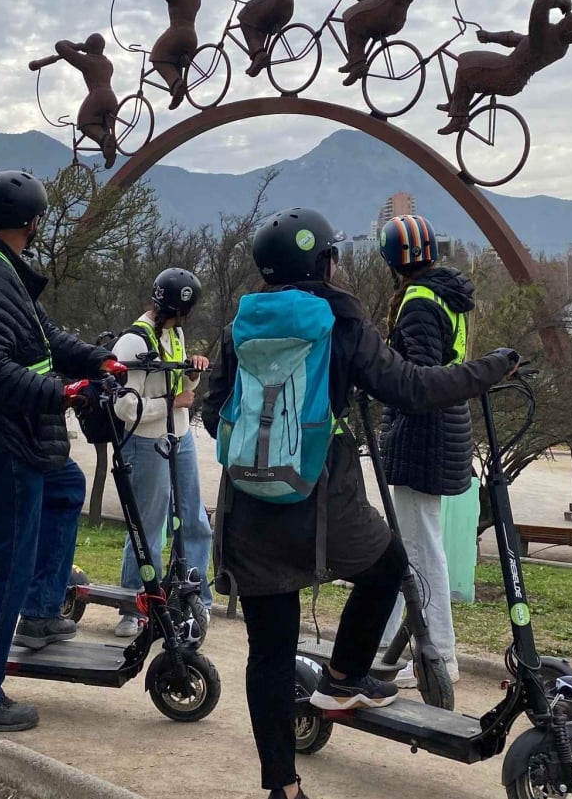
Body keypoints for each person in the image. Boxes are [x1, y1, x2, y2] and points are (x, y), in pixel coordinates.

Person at [201, 207, 518, 799]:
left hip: (248, 505)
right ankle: (344, 677)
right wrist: (490, 370)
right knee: (389, 568)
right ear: (323, 261)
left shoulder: (240, 325)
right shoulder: (340, 319)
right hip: (323, 502)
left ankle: (283, 788)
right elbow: (412, 388)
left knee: (268, 652)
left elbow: (211, 409)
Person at [0, 170, 118, 732]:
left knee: (66, 487)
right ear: (33, 221)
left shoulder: (1, 270)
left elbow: (46, 339)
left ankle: (42, 609)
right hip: (3, 438)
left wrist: (99, 361)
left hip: (16, 436)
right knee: (5, 564)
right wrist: (63, 391)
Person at [374, 215, 473, 686]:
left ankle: (439, 657)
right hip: (445, 425)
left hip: (423, 432)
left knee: (420, 545)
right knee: (407, 542)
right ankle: (387, 639)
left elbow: (417, 378)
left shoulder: (417, 300)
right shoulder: (446, 295)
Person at [110, 267, 214, 638]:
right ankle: (132, 607)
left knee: (195, 520)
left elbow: (180, 385)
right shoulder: (132, 343)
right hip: (147, 440)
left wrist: (193, 371)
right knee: (148, 526)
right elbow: (124, 407)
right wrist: (173, 403)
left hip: (180, 436)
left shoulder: (174, 333)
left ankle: (195, 598)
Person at [436, 0, 572, 134]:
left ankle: (459, 118)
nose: (567, 16)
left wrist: (562, 1)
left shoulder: (547, 39)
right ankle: (456, 103)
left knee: (466, 66)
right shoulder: (556, 45)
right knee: (470, 64)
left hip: (506, 74)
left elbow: (542, 1)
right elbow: (519, 40)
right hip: (512, 76)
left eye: (570, 18)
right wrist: (491, 37)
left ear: (569, 30)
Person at [31, 34, 120, 167]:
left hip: (97, 96)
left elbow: (60, 46)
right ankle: (108, 148)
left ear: (88, 46)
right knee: (102, 125)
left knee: (85, 123)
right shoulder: (108, 63)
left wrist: (76, 46)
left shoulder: (87, 61)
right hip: (112, 98)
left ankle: (105, 140)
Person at [144, 0, 202, 110]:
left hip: (177, 33)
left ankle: (176, 84)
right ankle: (178, 90)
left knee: (157, 57)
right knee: (173, 59)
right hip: (192, 37)